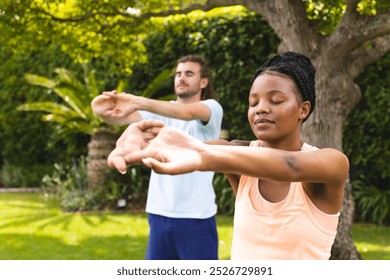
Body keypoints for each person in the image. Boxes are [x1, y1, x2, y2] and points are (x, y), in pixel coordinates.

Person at [107, 52, 349, 260]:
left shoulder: (331, 163)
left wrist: (203, 154)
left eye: (276, 100)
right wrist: (144, 145)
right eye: (253, 103)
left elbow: (291, 165)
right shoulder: (237, 154)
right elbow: (184, 147)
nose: (261, 108)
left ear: (303, 109)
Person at [91, 55, 223, 260]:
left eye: (189, 73)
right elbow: (122, 117)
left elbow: (187, 112)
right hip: (159, 213)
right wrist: (102, 110)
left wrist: (137, 101)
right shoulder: (159, 112)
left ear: (203, 82)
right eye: (178, 74)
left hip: (196, 216)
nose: (181, 78)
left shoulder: (212, 108)